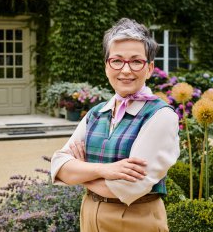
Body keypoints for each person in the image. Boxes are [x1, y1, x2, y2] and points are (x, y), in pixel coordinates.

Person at [50, 18, 180, 232]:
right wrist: (106, 170)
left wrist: (81, 174)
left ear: (149, 69)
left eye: (136, 61)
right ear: (106, 66)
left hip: (135, 221)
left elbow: (128, 187)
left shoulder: (161, 116)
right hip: (89, 217)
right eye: (117, 60)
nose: (126, 70)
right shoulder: (96, 113)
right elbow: (59, 167)